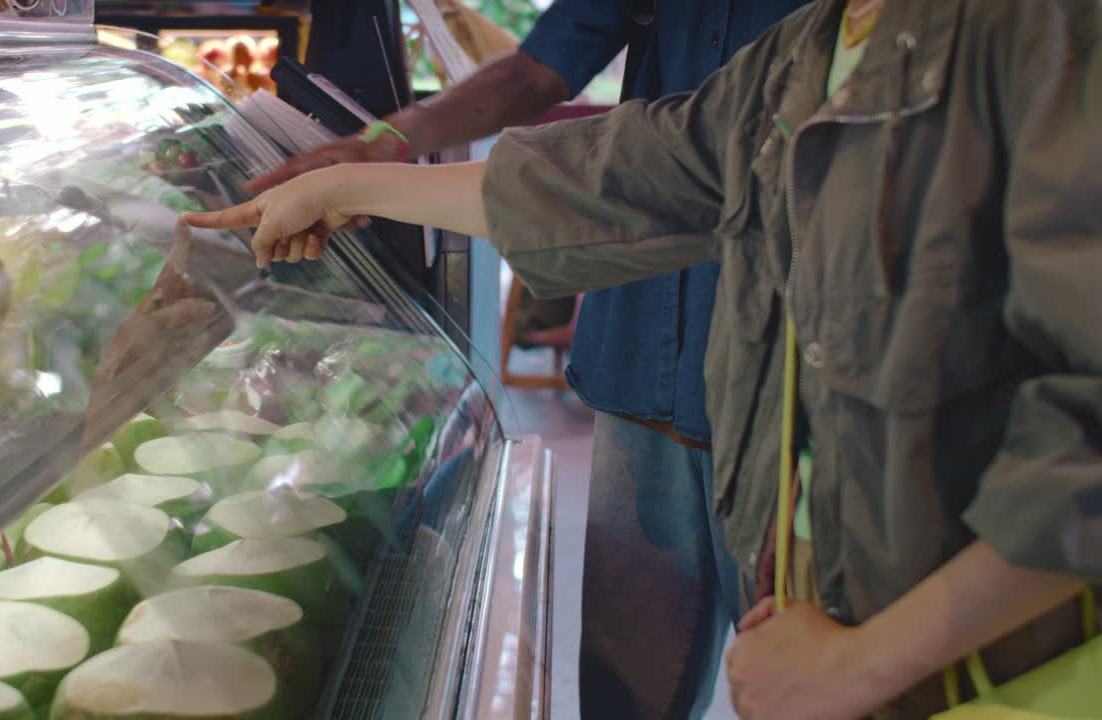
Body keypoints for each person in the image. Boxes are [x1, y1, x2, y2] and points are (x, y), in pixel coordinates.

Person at [187, 0, 1102, 717]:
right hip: (836, 624)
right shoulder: (814, 47)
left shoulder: (1042, 33)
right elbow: (630, 174)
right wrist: (351, 182)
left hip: (989, 667)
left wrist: (865, 665)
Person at [247, 2, 808, 717]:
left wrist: (363, 178)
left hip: (792, 389)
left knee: (811, 671)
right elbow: (624, 136)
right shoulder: (770, 78)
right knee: (625, 685)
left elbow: (684, 168)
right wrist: (380, 152)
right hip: (643, 355)